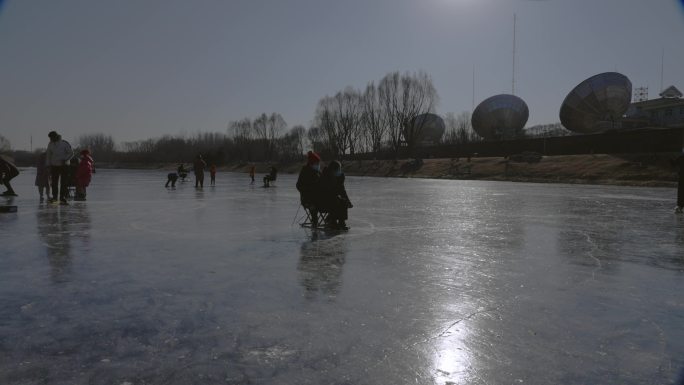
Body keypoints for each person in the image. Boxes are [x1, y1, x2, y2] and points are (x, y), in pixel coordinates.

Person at [320, 160, 352, 230]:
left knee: (343, 202)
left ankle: (341, 222)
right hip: (324, 200)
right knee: (335, 201)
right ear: (332, 170)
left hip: (335, 198)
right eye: (338, 169)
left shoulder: (340, 177)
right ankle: (332, 221)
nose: (339, 171)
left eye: (340, 169)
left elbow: (342, 191)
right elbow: (324, 190)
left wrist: (348, 201)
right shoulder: (325, 176)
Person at [46, 131, 73, 205]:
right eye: (49, 138)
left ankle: (62, 198)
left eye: (51, 138)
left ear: (55, 137)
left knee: (63, 183)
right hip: (54, 166)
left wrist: (65, 159)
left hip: (64, 166)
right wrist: (48, 165)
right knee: (54, 183)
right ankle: (55, 197)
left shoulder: (64, 143)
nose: (50, 139)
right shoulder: (50, 144)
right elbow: (48, 155)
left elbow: (71, 153)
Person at [296, 151, 322, 225]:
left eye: (318, 163)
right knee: (313, 204)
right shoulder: (305, 171)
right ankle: (314, 220)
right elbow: (298, 185)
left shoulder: (318, 172)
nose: (318, 165)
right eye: (317, 163)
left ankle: (331, 220)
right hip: (307, 198)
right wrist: (308, 190)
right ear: (311, 163)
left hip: (318, 197)